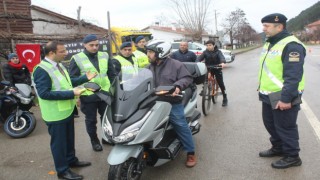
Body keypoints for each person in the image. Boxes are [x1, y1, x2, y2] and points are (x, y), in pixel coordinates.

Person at [33, 41, 97, 180]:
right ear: (51, 53)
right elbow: (44, 93)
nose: (66, 53)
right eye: (62, 51)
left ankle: (71, 160)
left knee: (69, 139)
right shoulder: (41, 69)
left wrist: (85, 78)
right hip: (55, 114)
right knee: (59, 144)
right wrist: (71, 93)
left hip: (66, 110)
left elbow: (68, 83)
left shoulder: (59, 65)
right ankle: (62, 171)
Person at [257, 13, 305, 169]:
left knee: (285, 126)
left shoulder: (292, 45)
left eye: (267, 26)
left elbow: (293, 76)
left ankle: (292, 156)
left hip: (283, 95)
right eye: (263, 25)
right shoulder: (270, 43)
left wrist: (286, 99)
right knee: (270, 124)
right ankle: (278, 148)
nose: (264, 28)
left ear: (279, 26)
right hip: (268, 94)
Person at [146, 41, 197, 168]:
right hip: (153, 101)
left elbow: (187, 78)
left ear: (160, 52)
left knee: (180, 124)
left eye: (151, 52)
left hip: (171, 101)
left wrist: (178, 87)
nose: (148, 54)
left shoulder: (176, 65)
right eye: (148, 51)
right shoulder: (149, 67)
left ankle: (190, 152)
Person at [69, 34, 117, 152]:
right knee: (91, 120)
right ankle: (94, 141)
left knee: (106, 118)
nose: (95, 47)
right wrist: (84, 81)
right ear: (84, 45)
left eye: (97, 45)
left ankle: (106, 137)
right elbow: (72, 80)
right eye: (91, 45)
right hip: (88, 95)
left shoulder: (104, 55)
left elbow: (112, 74)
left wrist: (115, 89)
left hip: (105, 93)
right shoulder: (77, 58)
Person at [197, 40, 228, 106]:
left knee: (220, 83)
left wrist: (222, 63)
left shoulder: (218, 52)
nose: (208, 47)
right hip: (208, 68)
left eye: (210, 45)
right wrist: (196, 62)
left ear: (214, 45)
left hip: (217, 68)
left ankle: (225, 97)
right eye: (207, 45)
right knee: (204, 78)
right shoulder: (205, 52)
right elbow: (199, 58)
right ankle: (204, 88)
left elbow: (221, 57)